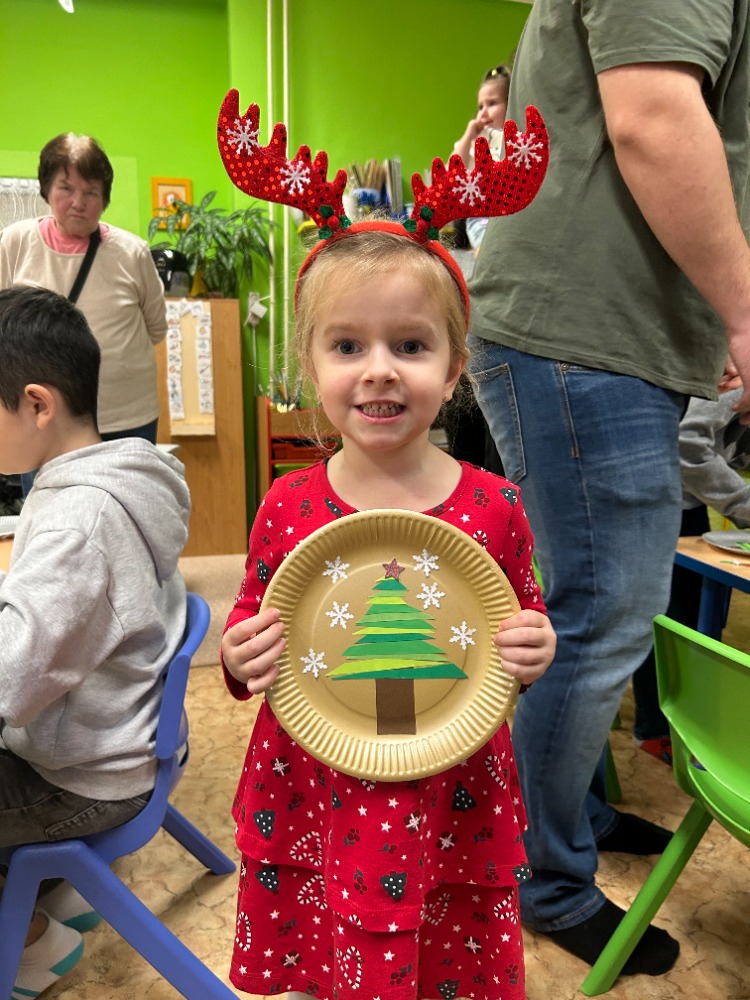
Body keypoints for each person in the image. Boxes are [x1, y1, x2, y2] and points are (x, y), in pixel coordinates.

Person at [467, 0, 750, 977]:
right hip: (582, 339)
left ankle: (576, 817)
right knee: (599, 621)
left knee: (584, 613)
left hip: (591, 336)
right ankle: (545, 879)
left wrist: (711, 322)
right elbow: (651, 118)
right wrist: (742, 312)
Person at [220, 223, 557, 1000]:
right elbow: (250, 623)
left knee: (445, 948)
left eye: (410, 345)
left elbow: (520, 628)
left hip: (450, 789)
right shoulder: (287, 506)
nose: (379, 370)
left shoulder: (496, 507)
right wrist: (239, 655)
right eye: (347, 346)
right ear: (310, 366)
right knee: (327, 949)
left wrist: (534, 649)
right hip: (317, 783)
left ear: (454, 367)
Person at [0, 286, 190, 997]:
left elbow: (10, 684)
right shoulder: (119, 479)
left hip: (85, 778)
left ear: (37, 405)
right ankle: (61, 894)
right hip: (125, 742)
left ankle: (33, 943)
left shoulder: (77, 521)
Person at [0, 133, 167, 449]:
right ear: (47, 189)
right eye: (66, 188)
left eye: (91, 192)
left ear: (104, 198)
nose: (78, 203)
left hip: (126, 416)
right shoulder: (15, 243)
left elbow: (156, 327)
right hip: (44, 419)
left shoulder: (132, 252)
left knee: (129, 483)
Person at [633, 387, 750, 760]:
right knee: (668, 622)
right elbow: (688, 442)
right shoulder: (737, 382)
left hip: (686, 501)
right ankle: (657, 729)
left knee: (697, 618)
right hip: (660, 501)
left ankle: (688, 722)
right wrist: (743, 504)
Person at [453, 63, 511, 251]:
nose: (483, 112)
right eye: (480, 106)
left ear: (511, 104)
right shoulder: (477, 141)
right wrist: (469, 134)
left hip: (511, 211)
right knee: (487, 248)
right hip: (482, 214)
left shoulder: (515, 138)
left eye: (492, 103)